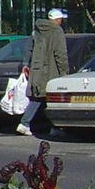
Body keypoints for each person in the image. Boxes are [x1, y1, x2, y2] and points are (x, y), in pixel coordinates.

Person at [20, 7, 69, 136]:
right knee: (52, 98)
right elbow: (60, 53)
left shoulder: (36, 30)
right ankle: (52, 127)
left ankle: (27, 123)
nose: (61, 22)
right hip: (52, 70)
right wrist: (64, 70)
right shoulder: (57, 31)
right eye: (60, 20)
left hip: (37, 69)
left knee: (39, 96)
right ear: (57, 20)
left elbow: (28, 48)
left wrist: (26, 63)